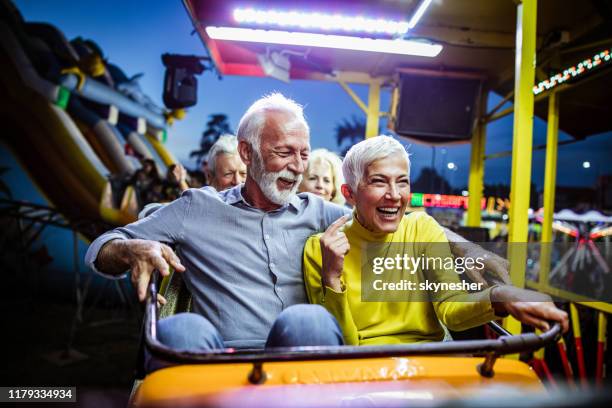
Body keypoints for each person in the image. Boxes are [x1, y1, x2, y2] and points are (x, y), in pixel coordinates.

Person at [85, 93, 510, 366]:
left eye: (303, 153)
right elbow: (104, 245)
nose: (297, 165)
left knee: (306, 319)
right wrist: (132, 248)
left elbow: (390, 218)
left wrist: (469, 250)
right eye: (284, 151)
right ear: (248, 153)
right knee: (179, 330)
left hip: (300, 353)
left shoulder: (323, 213)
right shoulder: (197, 207)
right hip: (221, 359)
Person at [303, 136, 568, 346]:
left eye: (402, 182)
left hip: (429, 364)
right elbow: (345, 346)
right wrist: (332, 279)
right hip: (364, 375)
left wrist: (502, 296)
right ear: (349, 193)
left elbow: (451, 308)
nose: (394, 195)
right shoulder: (321, 249)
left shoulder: (422, 227)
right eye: (379, 182)